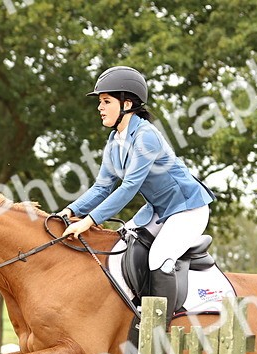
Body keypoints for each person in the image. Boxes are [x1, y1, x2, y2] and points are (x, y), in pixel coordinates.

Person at [58, 66, 214, 320]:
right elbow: (102, 187)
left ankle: (161, 331)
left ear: (127, 104)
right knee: (120, 246)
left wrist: (88, 221)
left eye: (106, 101)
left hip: (188, 209)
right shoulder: (114, 141)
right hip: (159, 210)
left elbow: (129, 187)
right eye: (100, 102)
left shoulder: (146, 137)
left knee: (159, 259)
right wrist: (70, 211)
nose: (100, 108)